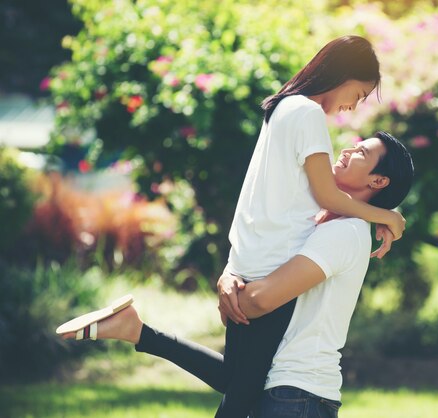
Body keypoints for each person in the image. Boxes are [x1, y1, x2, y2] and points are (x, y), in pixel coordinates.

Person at [59, 35, 404, 418]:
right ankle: (136, 331)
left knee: (235, 386)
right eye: (357, 94)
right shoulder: (308, 115)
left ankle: (135, 331)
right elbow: (326, 195)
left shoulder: (284, 110)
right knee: (238, 389)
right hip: (273, 265)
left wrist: (232, 268)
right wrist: (387, 216)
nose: (352, 106)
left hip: (252, 260)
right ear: (343, 74)